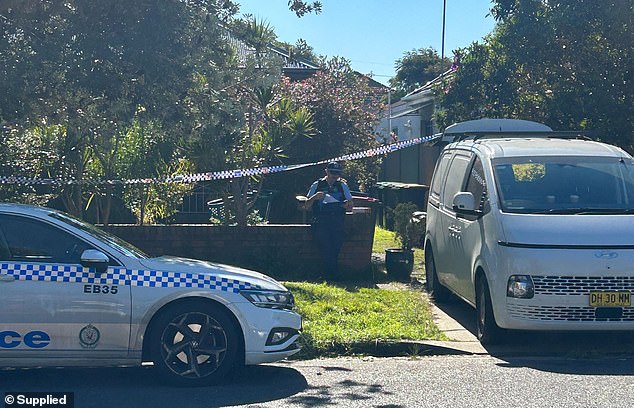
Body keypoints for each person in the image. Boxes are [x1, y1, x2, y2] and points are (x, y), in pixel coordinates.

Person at [305, 162, 354, 279]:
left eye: (337, 173)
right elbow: (306, 205)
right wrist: (315, 197)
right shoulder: (317, 185)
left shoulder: (342, 185)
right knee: (326, 246)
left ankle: (332, 274)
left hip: (337, 220)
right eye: (332, 173)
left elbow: (350, 205)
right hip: (321, 220)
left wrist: (346, 205)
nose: (334, 176)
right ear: (326, 171)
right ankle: (330, 274)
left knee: (336, 246)